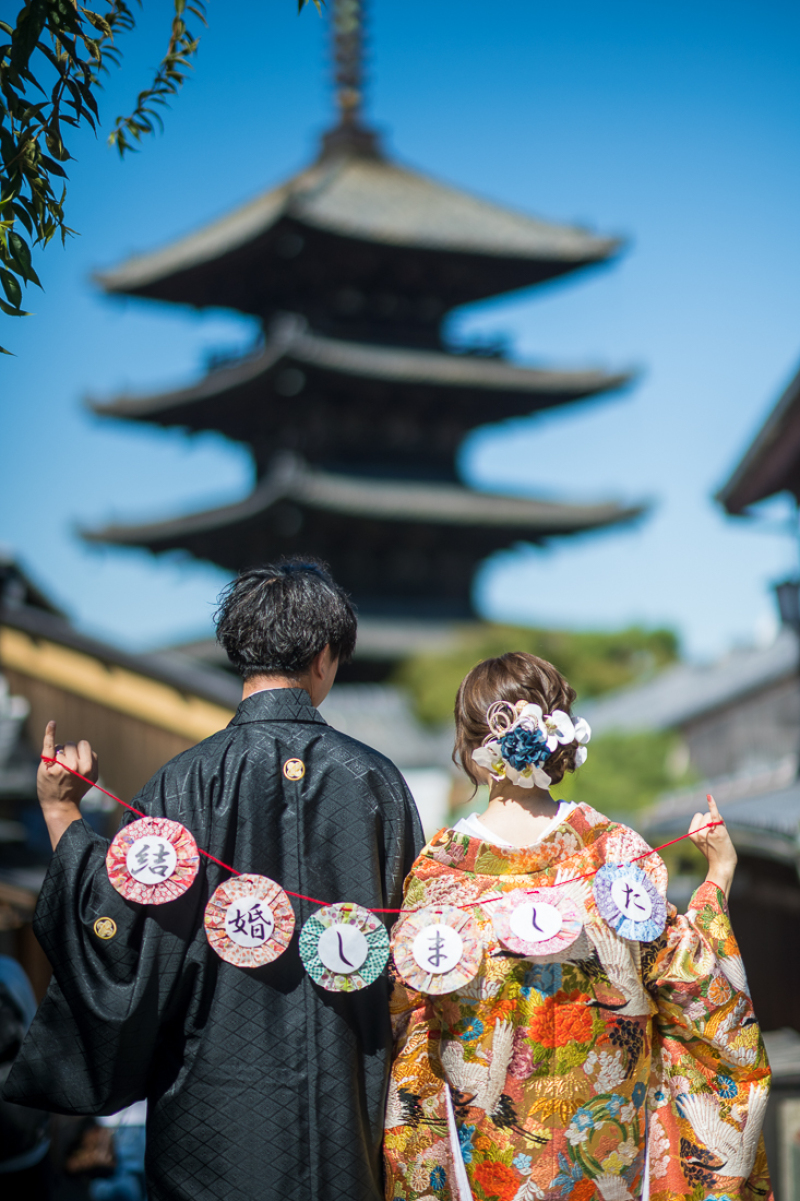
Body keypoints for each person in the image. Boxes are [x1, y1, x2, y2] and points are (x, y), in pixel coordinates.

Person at [3, 558, 424, 1201]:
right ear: (325, 657)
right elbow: (415, 953)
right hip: (347, 1112)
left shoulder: (179, 783)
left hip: (209, 1113)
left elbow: (114, 940)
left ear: (240, 652)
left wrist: (61, 812)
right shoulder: (376, 783)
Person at [384, 652, 772, 1201]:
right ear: (559, 739)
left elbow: (401, 1027)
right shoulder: (615, 857)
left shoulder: (442, 880)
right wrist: (717, 878)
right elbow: (701, 997)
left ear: (471, 752)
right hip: (611, 1159)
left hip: (483, 1168)